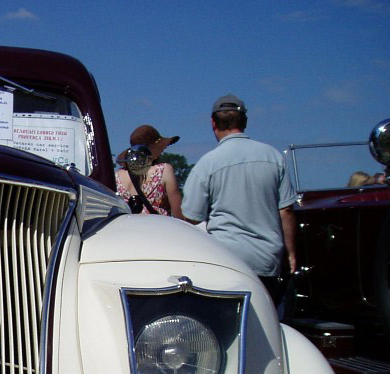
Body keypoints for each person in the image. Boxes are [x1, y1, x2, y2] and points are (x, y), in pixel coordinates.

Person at [182, 94, 297, 303]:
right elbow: (286, 210)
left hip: (225, 259)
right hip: (267, 259)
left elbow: (191, 216)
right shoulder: (273, 157)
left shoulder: (207, 164)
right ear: (245, 121)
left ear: (213, 123)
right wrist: (290, 254)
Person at [115, 125, 184, 218]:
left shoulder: (117, 176)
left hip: (127, 226)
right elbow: (178, 214)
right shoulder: (164, 170)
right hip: (157, 226)